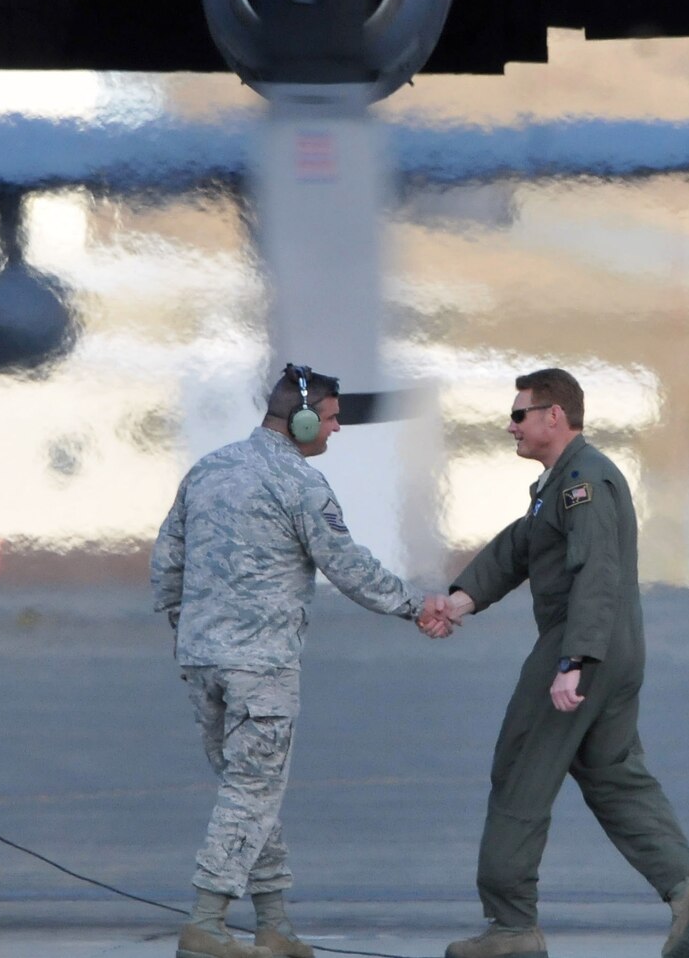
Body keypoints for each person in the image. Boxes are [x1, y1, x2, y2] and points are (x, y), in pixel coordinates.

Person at [420, 369, 689, 958]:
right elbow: (519, 547)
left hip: (582, 641)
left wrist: (573, 661)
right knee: (613, 775)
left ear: (552, 416)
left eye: (519, 414)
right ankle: (688, 886)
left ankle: (511, 926)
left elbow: (596, 573)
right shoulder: (563, 484)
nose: (510, 426)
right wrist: (459, 602)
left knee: (521, 771)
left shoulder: (583, 483)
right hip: (615, 646)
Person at [152, 365, 448, 958]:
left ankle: (275, 924)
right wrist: (415, 606)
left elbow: (167, 565)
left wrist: (190, 633)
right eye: (333, 419)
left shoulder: (207, 469)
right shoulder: (299, 483)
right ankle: (207, 922)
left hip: (202, 660)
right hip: (261, 666)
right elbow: (347, 564)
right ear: (304, 419)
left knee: (249, 788)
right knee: (252, 792)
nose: (336, 431)